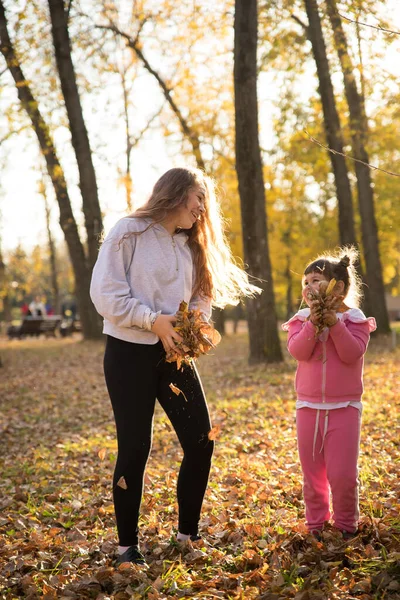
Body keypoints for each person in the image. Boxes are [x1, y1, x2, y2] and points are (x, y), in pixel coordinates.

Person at [90, 167, 259, 565]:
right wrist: (153, 321)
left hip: (174, 358)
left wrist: (195, 321)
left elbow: (203, 292)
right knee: (135, 447)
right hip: (128, 353)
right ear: (177, 193)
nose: (202, 208)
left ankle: (187, 536)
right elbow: (105, 294)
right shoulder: (127, 232)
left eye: (204, 201)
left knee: (202, 441)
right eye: (198, 198)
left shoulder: (188, 244)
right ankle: (126, 549)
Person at [282, 248, 376, 539]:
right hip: (308, 408)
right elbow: (298, 351)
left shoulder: (355, 321)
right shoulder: (300, 320)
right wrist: (313, 323)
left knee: (343, 475)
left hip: (344, 408)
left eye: (316, 280)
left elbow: (351, 353)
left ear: (339, 287)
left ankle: (346, 525)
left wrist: (334, 323)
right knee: (313, 475)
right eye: (306, 283)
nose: (309, 287)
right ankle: (316, 525)